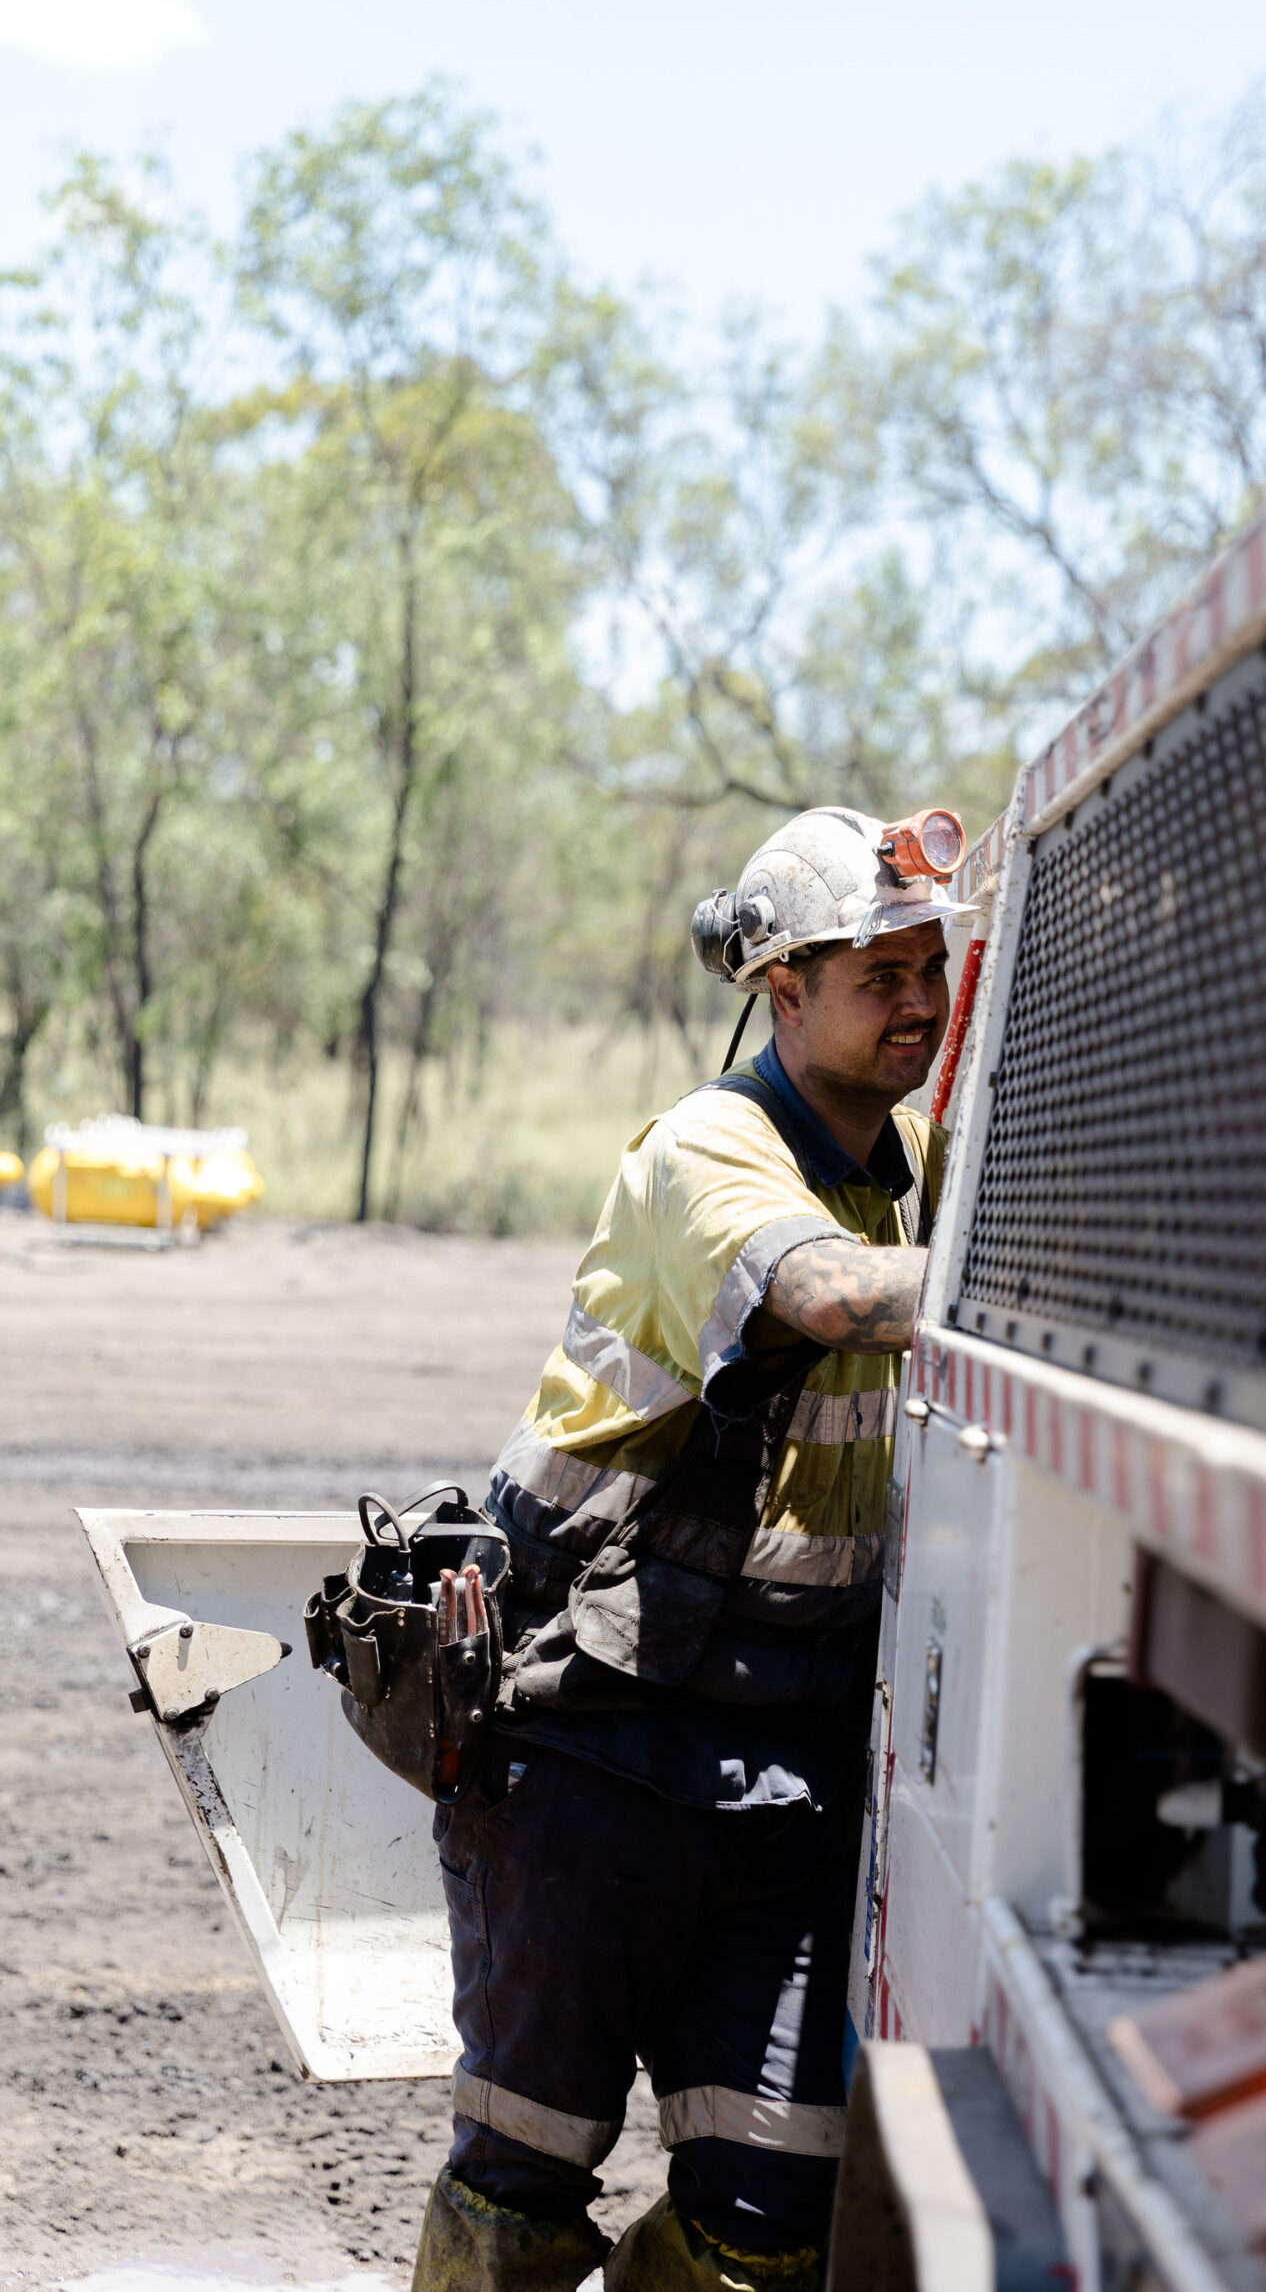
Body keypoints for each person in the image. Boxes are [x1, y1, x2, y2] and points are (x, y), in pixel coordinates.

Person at [411, 804, 963, 2292]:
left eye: (933, 969)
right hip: (593, 1744)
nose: (919, 1002)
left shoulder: (921, 1170)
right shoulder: (704, 1149)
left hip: (789, 1770)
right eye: (880, 976)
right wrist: (1047, 1271)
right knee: (520, 2198)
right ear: (783, 988)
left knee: (766, 2237)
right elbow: (835, 1296)